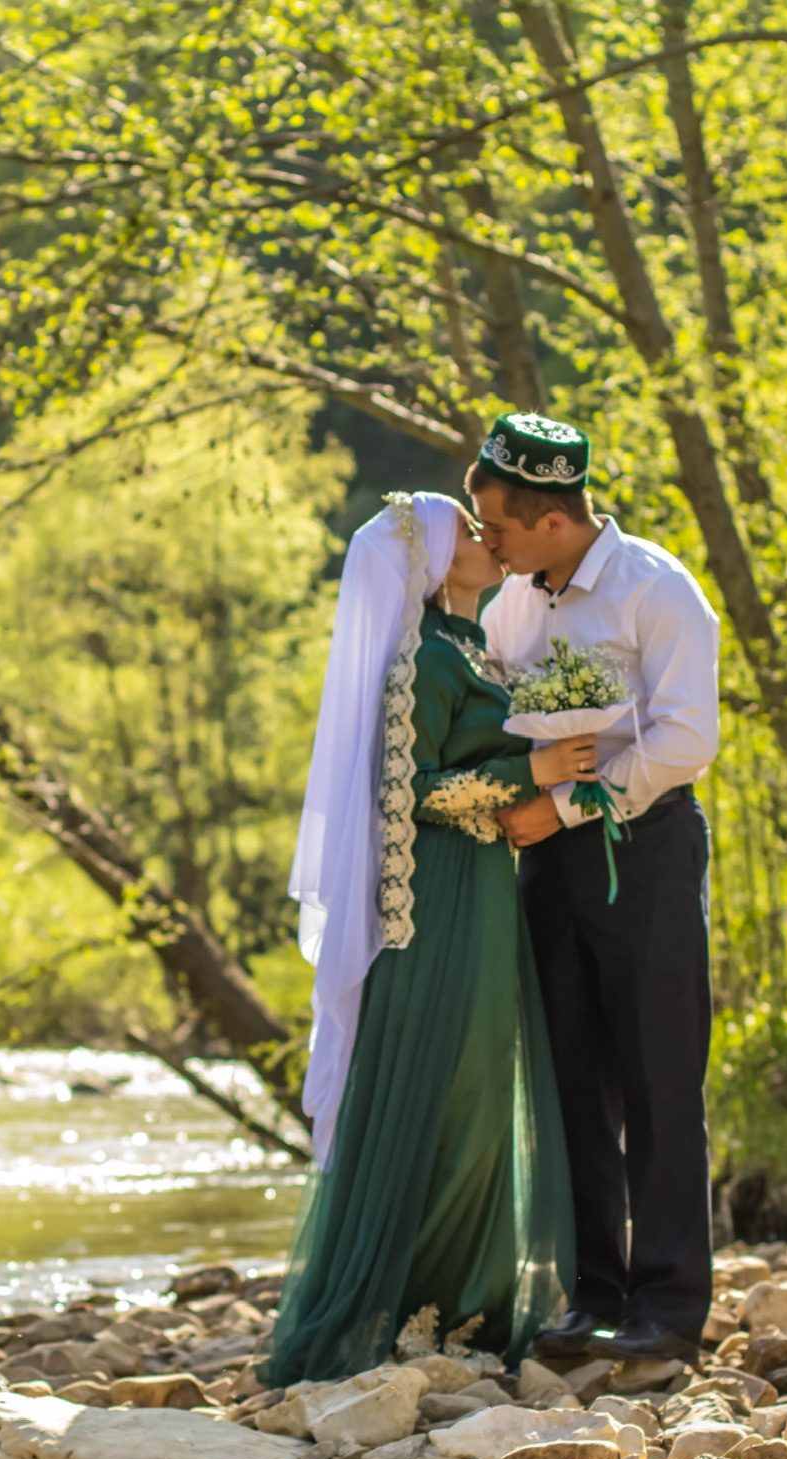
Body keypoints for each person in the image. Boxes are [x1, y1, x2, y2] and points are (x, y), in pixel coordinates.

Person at [264, 491, 585, 1385]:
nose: (487, 539)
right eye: (468, 532)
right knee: (455, 1087)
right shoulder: (426, 656)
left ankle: (466, 1302)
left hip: (482, 882)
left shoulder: (468, 645)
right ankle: (418, 1304)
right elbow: (410, 791)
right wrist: (530, 769)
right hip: (439, 894)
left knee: (479, 1087)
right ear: (436, 562)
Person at [472, 413, 722, 1365]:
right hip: (545, 863)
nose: (486, 542)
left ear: (549, 519)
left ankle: (668, 1306)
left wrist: (570, 805)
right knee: (568, 1074)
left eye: (496, 526)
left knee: (659, 1072)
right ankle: (591, 1292)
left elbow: (686, 738)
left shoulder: (656, 588)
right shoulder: (508, 606)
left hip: (644, 851)